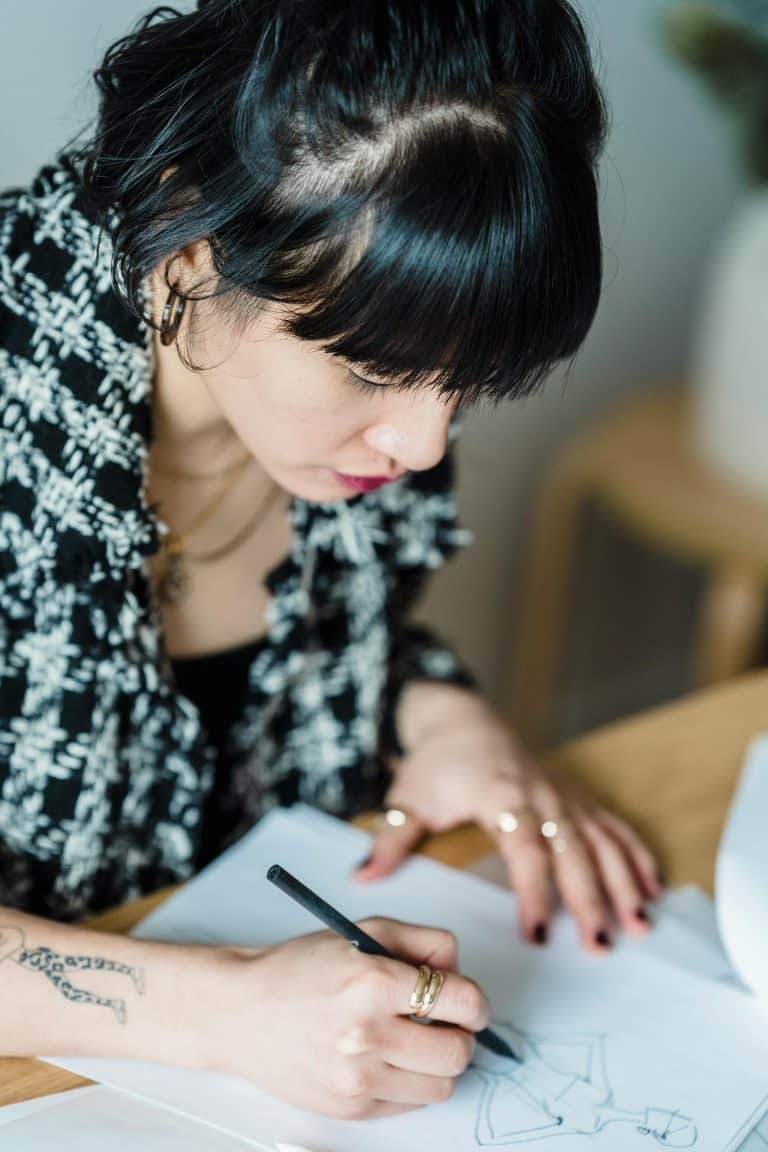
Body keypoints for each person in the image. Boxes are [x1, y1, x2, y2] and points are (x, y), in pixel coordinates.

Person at [0, 0, 663, 1121]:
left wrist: (434, 712)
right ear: (188, 248)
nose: (424, 446)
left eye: (465, 384)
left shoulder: (366, 421)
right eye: (373, 372)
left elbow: (307, 660)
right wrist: (224, 1013)